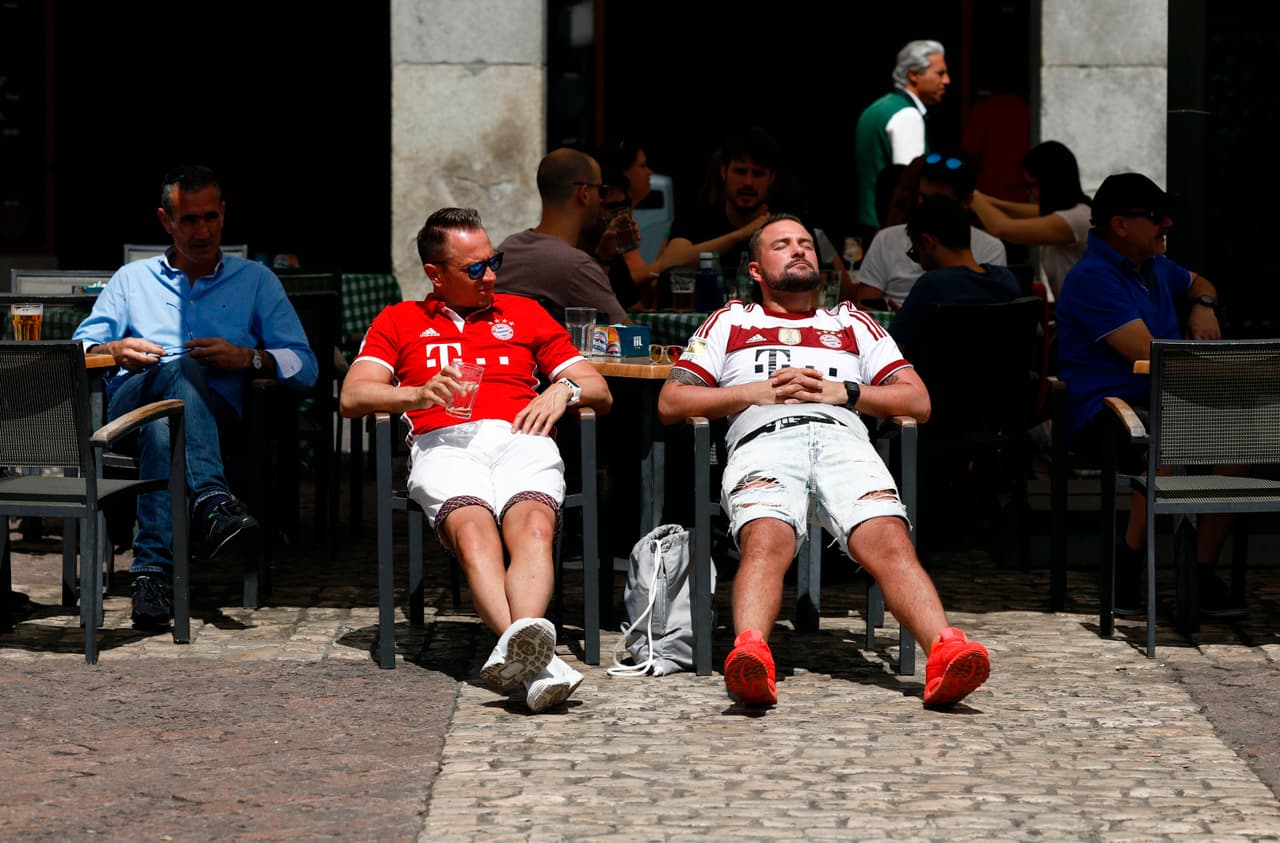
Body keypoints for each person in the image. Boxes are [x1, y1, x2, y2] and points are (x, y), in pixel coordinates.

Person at [656, 212, 991, 709]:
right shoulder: (730, 321)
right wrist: (757, 392)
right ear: (755, 270)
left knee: (888, 539)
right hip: (766, 438)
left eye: (806, 244)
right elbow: (671, 402)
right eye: (782, 245)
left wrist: (847, 391)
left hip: (843, 441)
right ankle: (751, 654)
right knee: (767, 539)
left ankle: (946, 652)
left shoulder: (852, 322)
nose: (799, 251)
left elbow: (917, 401)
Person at [340, 207, 612, 712]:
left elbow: (598, 387)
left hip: (521, 435)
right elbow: (353, 396)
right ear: (435, 275)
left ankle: (521, 657)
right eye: (475, 268)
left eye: (494, 261)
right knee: (473, 532)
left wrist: (564, 391)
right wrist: (416, 395)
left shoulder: (525, 313)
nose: (491, 276)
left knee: (533, 529)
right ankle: (537, 662)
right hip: (443, 442)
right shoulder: (399, 319)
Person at [72, 164, 319, 631]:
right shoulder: (131, 279)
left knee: (169, 429)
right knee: (177, 370)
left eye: (210, 217)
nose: (202, 230)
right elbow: (79, 351)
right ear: (166, 221)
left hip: (215, 420)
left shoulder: (256, 280)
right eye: (189, 220)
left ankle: (150, 575)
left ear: (223, 215)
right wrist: (115, 349)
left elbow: (305, 367)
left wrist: (249, 358)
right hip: (130, 411)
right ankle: (212, 498)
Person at [1055, 172, 1241, 617]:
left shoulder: (1154, 265)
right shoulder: (1093, 277)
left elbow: (1201, 282)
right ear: (1120, 225)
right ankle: (1128, 564)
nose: (1168, 224)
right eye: (1156, 216)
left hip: (1163, 401)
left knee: (1239, 436)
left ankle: (1200, 572)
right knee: (1166, 433)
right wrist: (1228, 371)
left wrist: (1202, 305)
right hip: (1103, 413)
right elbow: (1147, 355)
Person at [856, 152, 1008, 310]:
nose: (926, 208)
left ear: (966, 202)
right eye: (923, 198)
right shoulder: (886, 239)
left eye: (937, 202)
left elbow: (988, 316)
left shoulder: (991, 249)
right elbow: (864, 308)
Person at [496, 148, 628, 324]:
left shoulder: (508, 248)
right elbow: (628, 336)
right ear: (584, 194)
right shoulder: (577, 267)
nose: (602, 200)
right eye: (601, 191)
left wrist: (603, 259)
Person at [889, 195, 1021, 356]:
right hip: (1005, 380)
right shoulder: (1006, 279)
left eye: (915, 252)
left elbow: (892, 353)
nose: (919, 263)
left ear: (928, 242)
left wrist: (906, 320)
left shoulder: (932, 285)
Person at [969, 140, 1092, 298]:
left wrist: (971, 193)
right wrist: (985, 200)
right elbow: (1010, 209)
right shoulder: (1070, 212)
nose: (1029, 193)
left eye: (1031, 185)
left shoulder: (1077, 219)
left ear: (1050, 183)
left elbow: (1001, 228)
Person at [853, 40, 950, 238]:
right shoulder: (907, 115)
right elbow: (909, 187)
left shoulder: (877, 108)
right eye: (940, 73)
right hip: (893, 232)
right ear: (913, 75)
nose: (947, 80)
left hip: (869, 225)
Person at [660, 127, 779, 273]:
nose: (748, 182)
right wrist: (741, 234)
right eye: (740, 171)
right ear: (724, 172)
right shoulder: (697, 217)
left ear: (771, 178)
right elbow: (669, 262)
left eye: (758, 174)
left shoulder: (786, 225)